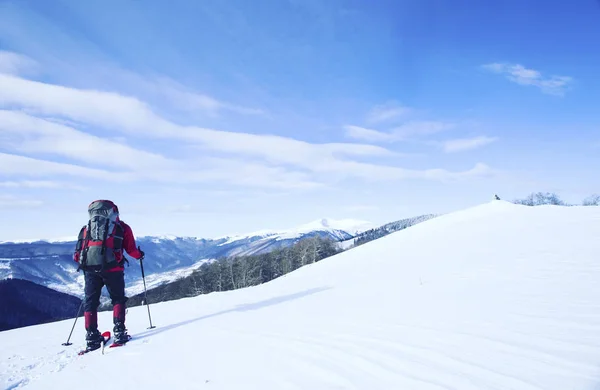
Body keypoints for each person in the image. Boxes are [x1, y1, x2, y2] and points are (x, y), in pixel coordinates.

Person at [73, 200, 145, 351]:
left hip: (90, 269)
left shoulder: (87, 228)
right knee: (118, 298)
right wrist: (140, 255)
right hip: (113, 269)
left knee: (90, 302)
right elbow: (131, 250)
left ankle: (91, 337)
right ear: (114, 212)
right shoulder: (122, 228)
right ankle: (119, 332)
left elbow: (77, 255)